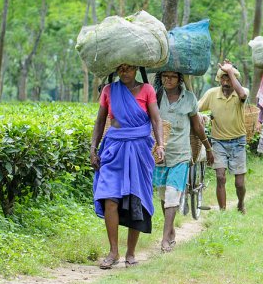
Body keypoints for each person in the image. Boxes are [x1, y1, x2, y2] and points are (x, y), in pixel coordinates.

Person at [90, 64, 164, 269]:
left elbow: (156, 119)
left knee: (135, 200)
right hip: (113, 148)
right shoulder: (109, 90)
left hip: (139, 149)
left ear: (136, 69)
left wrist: (160, 144)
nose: (125, 72)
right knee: (109, 198)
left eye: (129, 68)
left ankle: (131, 253)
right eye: (121, 69)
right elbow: (100, 121)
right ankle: (113, 252)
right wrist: (93, 148)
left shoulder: (148, 90)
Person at [153, 71, 214, 253]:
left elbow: (197, 126)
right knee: (164, 196)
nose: (168, 80)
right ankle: (170, 231)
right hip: (161, 154)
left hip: (181, 154)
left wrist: (208, 148)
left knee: (173, 194)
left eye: (172, 76)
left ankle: (164, 239)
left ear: (180, 79)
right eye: (165, 76)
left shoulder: (189, 98)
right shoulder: (156, 95)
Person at [198, 60, 249, 213]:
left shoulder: (241, 91)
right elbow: (196, 109)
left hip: (238, 141)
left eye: (229, 78)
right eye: (223, 78)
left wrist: (231, 71)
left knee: (239, 183)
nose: (226, 82)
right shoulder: (212, 94)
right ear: (219, 79)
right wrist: (200, 117)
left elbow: (242, 94)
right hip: (218, 142)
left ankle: (240, 203)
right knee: (220, 177)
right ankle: (223, 211)